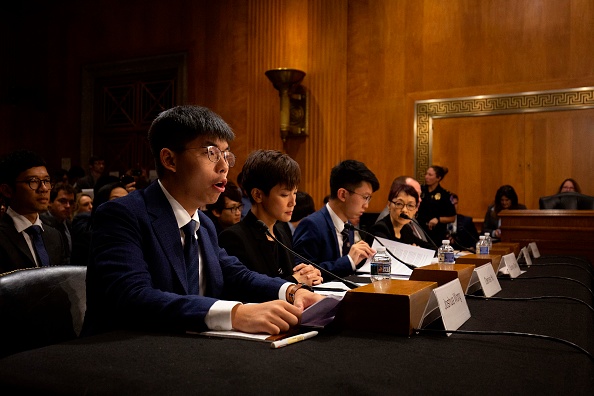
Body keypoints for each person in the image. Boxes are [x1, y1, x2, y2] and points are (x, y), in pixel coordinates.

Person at [83, 105, 323, 337]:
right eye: (211, 153)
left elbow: (235, 274)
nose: (224, 167)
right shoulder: (121, 215)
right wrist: (235, 314)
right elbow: (133, 297)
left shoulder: (204, 224)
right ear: (170, 160)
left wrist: (291, 291)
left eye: (226, 155)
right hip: (120, 354)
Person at [219, 150, 322, 286]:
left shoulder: (282, 229)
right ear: (258, 195)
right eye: (285, 194)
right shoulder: (233, 237)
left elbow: (289, 275)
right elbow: (248, 292)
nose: (293, 202)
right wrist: (295, 281)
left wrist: (307, 275)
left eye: (295, 193)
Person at [292, 159, 380, 277]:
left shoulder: (347, 225)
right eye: (365, 197)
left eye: (369, 198)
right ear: (343, 194)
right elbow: (302, 274)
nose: (366, 205)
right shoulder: (312, 225)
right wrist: (348, 262)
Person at [0, 150, 67, 273]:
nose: (44, 188)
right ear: (7, 190)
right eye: (33, 181)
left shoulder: (54, 235)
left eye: (46, 181)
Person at [70, 181, 128, 266]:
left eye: (127, 200)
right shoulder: (88, 239)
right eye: (116, 199)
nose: (124, 204)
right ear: (102, 204)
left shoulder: (137, 234)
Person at [367, 184, 435, 251]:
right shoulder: (380, 229)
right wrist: (411, 250)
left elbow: (431, 249)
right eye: (399, 204)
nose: (404, 210)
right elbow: (390, 255)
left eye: (410, 205)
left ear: (416, 209)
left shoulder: (406, 229)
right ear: (389, 205)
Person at [375, 175, 430, 245]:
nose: (419, 199)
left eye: (419, 195)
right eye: (414, 194)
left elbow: (425, 246)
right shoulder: (382, 226)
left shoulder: (406, 227)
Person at [417, 165, 456, 246]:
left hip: (436, 235)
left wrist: (438, 219)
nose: (426, 177)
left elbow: (452, 218)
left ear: (438, 178)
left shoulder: (446, 195)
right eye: (426, 174)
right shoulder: (420, 190)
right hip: (419, 231)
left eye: (430, 175)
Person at [40, 182, 77, 262]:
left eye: (71, 202)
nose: (68, 206)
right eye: (62, 201)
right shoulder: (41, 224)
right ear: (50, 202)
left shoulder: (69, 224)